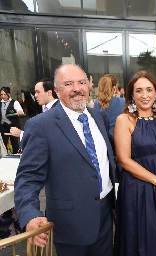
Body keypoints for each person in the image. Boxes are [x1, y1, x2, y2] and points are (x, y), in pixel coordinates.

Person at [14, 63, 115, 256]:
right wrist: (30, 215)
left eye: (81, 82)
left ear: (89, 86)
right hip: (70, 224)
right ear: (57, 91)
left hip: (104, 217)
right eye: (68, 84)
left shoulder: (99, 117)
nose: (77, 88)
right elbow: (28, 177)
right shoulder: (40, 126)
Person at [114, 70, 156, 255]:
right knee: (141, 238)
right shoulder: (124, 120)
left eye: (149, 90)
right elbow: (124, 160)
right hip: (138, 190)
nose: (145, 95)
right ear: (132, 95)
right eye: (139, 90)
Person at [88, 74, 125, 138]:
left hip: (101, 139)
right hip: (119, 139)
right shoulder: (123, 102)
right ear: (114, 88)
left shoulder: (92, 103)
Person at [0, 86, 24, 154]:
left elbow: (21, 111)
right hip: (3, 125)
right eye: (1, 94)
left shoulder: (14, 102)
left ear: (9, 94)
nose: (3, 96)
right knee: (3, 143)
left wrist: (19, 112)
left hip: (12, 125)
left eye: (4, 94)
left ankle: (15, 155)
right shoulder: (0, 103)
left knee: (14, 143)